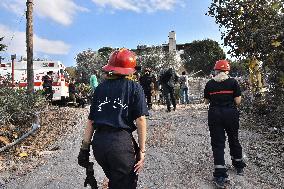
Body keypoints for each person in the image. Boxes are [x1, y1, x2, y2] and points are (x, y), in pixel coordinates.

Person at [77, 48, 148, 189]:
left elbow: (91, 121)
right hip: (120, 145)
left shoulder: (100, 89)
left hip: (100, 145)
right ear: (130, 70)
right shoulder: (134, 87)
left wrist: (84, 149)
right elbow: (140, 120)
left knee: (115, 181)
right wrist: (142, 150)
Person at [204, 60, 246, 189]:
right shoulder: (233, 82)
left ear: (216, 70)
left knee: (218, 144)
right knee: (233, 139)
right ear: (227, 70)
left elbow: (206, 101)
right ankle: (238, 166)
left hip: (215, 114)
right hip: (230, 114)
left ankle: (220, 175)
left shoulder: (210, 83)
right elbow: (238, 101)